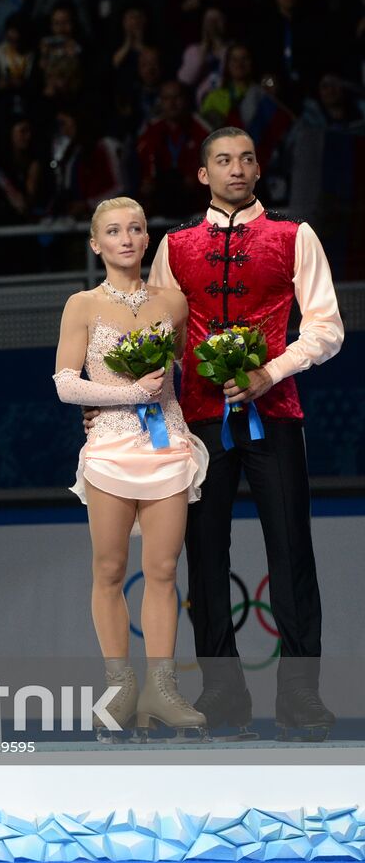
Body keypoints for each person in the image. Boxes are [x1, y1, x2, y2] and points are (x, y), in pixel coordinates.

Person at [147, 127, 344, 740]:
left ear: (259, 169)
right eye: (224, 160)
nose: (238, 169)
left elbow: (327, 329)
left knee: (292, 555)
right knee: (205, 559)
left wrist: (269, 372)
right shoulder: (173, 246)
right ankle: (223, 695)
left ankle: (300, 697)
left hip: (277, 415)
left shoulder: (293, 236)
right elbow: (162, 339)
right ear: (203, 174)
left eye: (248, 159)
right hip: (200, 421)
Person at [54, 198, 208, 741]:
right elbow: (66, 383)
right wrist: (120, 396)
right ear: (96, 244)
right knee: (110, 570)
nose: (127, 238)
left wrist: (150, 395)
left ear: (147, 240)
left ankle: (161, 691)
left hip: (166, 446)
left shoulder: (173, 302)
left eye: (137, 229)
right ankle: (120, 687)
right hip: (111, 451)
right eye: (114, 231)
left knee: (164, 571)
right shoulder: (82, 305)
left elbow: (180, 369)